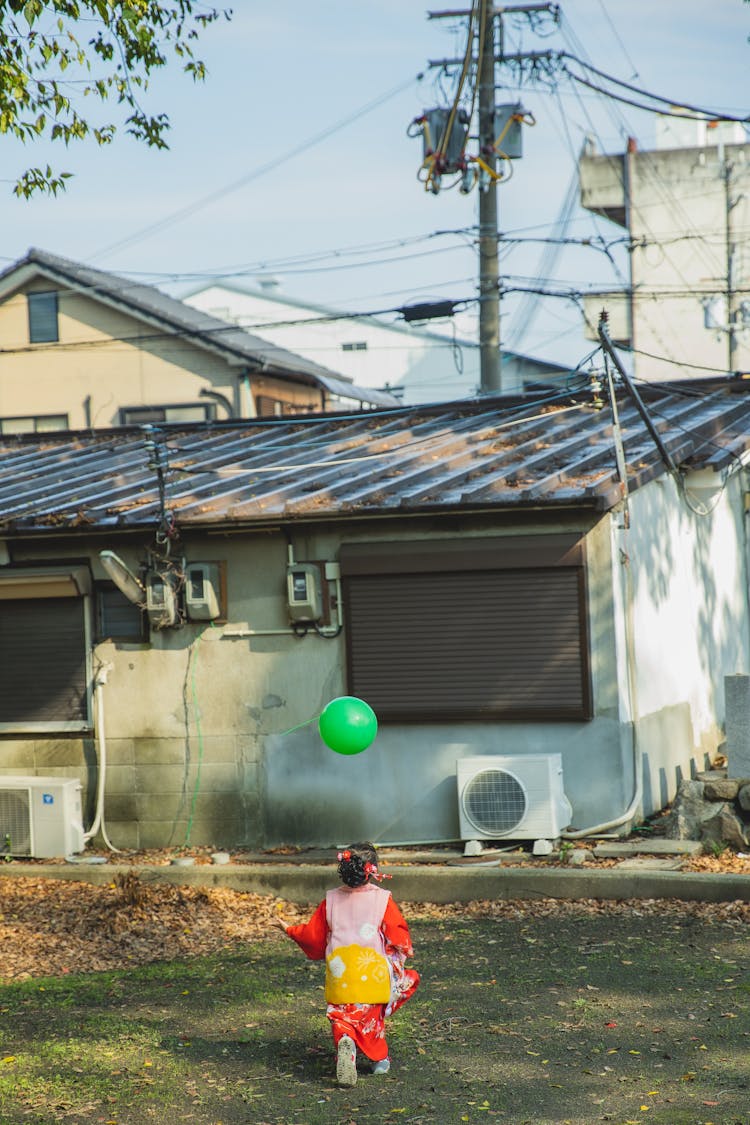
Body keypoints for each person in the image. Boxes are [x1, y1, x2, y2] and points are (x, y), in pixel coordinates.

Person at [274, 841, 420, 1087]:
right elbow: (397, 933)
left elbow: (312, 936)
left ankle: (347, 1043)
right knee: (371, 1015)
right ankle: (379, 1060)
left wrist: (289, 929)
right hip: (371, 973)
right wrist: (400, 951)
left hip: (340, 974)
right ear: (372, 870)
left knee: (342, 1016)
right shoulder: (382, 900)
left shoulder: (330, 900)